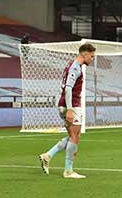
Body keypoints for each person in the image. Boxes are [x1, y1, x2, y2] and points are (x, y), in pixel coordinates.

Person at [38, 43, 96, 179]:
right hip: (71, 105)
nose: (92, 59)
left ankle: (47, 156)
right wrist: (70, 109)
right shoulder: (75, 67)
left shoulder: (72, 65)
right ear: (85, 54)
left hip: (66, 104)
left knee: (73, 137)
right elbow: (68, 88)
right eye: (92, 56)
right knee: (75, 137)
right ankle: (68, 171)